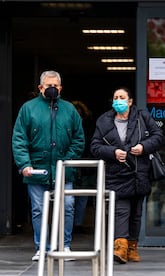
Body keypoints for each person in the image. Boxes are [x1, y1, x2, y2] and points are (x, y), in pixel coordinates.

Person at [12, 70, 85, 261]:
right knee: (39, 209)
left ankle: (65, 246)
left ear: (60, 88)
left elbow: (79, 139)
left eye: (55, 85)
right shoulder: (28, 109)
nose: (52, 89)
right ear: (40, 87)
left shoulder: (69, 110)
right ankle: (42, 248)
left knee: (68, 206)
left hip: (64, 169)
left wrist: (67, 161)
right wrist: (24, 164)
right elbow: (19, 139)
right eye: (48, 85)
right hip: (37, 169)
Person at [90, 87, 164, 264]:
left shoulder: (142, 117)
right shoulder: (104, 121)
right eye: (115, 97)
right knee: (121, 211)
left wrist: (144, 147)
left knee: (136, 213)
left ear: (130, 101)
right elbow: (94, 146)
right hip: (117, 174)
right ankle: (120, 248)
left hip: (139, 172)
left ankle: (132, 248)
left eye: (122, 97)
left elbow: (158, 136)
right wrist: (113, 152)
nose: (118, 100)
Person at [71, 100, 96, 233]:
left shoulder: (88, 127)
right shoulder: (68, 125)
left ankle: (77, 224)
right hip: (74, 163)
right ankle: (71, 224)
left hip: (85, 164)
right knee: (71, 196)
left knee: (82, 196)